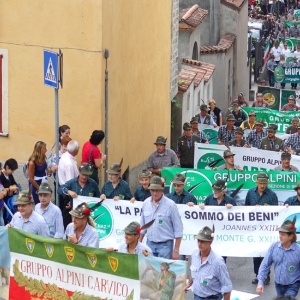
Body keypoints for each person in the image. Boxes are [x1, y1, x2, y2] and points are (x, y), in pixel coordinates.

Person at [245, 172, 278, 285]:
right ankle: (258, 274)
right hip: (254, 228)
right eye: (260, 183)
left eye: (264, 183)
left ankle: (266, 274)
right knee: (256, 252)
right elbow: (246, 208)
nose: (262, 186)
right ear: (256, 182)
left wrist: (264, 209)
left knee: (265, 252)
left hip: (266, 228)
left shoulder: (272, 195)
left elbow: (276, 212)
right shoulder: (250, 193)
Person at [139, 176, 183, 259]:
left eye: (157, 191)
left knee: (163, 270)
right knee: (150, 270)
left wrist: (176, 250)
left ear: (162, 190)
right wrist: (139, 244)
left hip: (165, 245)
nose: (154, 193)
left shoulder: (171, 205)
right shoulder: (146, 203)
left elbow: (178, 229)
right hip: (149, 243)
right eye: (152, 190)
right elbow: (143, 227)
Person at [256, 218, 300, 298]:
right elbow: (265, 264)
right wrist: (260, 282)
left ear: (291, 236)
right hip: (278, 285)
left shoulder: (298, 251)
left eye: (283, 234)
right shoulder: (274, 247)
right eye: (280, 233)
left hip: (292, 286)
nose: (280, 236)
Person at [184, 226, 232, 300]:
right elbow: (194, 270)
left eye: (203, 241)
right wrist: (189, 283)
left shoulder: (218, 262)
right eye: (198, 241)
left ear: (210, 242)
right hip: (197, 296)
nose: (199, 244)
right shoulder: (194, 254)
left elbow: (227, 287)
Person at [57, 140, 80, 227]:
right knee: (67, 217)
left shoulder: (65, 155)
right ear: (75, 150)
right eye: (78, 148)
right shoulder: (69, 164)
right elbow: (70, 183)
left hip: (65, 190)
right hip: (68, 193)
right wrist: (70, 199)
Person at [0, 158, 19, 224]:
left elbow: (15, 184)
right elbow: (2, 189)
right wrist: (9, 189)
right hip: (4, 200)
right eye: (12, 170)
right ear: (7, 167)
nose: (13, 172)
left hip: (10, 198)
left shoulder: (10, 175)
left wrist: (12, 189)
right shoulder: (1, 176)